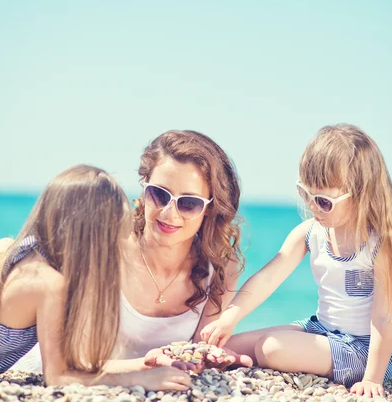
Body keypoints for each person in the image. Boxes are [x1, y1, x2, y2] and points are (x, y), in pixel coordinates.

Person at [0, 165, 190, 391]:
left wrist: (141, 363)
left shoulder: (8, 249)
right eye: (115, 235)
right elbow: (60, 376)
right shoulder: (49, 284)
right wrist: (143, 379)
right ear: (94, 236)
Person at [201, 124, 392, 397]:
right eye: (306, 194)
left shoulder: (378, 246)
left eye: (323, 201)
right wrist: (228, 319)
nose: (312, 207)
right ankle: (245, 359)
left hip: (363, 350)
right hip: (321, 330)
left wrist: (373, 379)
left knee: (271, 347)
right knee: (228, 345)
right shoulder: (310, 233)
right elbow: (268, 278)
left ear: (361, 194)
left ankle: (261, 358)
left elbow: (384, 318)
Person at [13, 130, 252, 374]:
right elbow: (74, 360)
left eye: (189, 203)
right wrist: (149, 367)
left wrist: (209, 359)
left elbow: (201, 350)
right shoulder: (107, 248)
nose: (169, 213)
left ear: (210, 208)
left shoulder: (220, 266)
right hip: (52, 376)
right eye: (159, 194)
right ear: (144, 187)